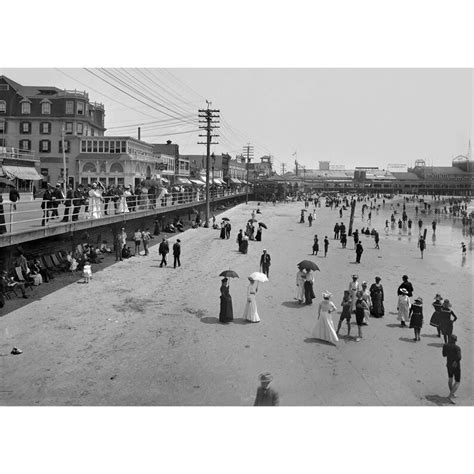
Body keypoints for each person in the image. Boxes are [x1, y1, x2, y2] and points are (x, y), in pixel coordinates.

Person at [442, 334, 461, 403]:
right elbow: (459, 357)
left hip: (449, 364)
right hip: (456, 366)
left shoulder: (445, 346)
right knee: (457, 381)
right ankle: (450, 396)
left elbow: (444, 355)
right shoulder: (457, 348)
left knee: (450, 378)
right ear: (455, 341)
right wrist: (455, 361)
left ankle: (451, 393)